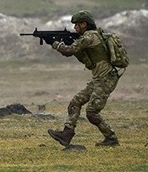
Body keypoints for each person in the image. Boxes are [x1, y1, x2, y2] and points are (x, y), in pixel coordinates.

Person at [45, 10, 120, 147]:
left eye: (77, 25)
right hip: (99, 79)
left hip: (106, 79)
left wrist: (54, 43)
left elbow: (68, 51)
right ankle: (67, 134)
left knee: (91, 112)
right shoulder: (91, 36)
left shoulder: (90, 37)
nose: (74, 28)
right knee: (75, 103)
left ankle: (111, 138)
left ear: (84, 24)